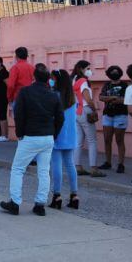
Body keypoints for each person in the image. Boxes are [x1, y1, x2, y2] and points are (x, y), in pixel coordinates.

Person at [1, 63, 64, 217]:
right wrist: (54, 134)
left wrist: (19, 132)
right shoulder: (53, 95)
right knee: (43, 171)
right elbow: (60, 117)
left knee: (18, 169)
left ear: (33, 77)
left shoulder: (25, 92)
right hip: (47, 137)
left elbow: (19, 113)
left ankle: (15, 203)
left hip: (30, 136)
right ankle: (40, 204)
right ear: (48, 79)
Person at [49, 70, 80, 210]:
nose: (51, 81)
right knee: (70, 164)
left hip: (57, 133)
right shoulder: (73, 97)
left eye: (53, 79)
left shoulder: (54, 96)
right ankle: (74, 195)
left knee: (56, 164)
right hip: (71, 135)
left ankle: (57, 195)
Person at [71, 60, 105, 178]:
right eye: (88, 68)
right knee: (92, 141)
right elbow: (88, 99)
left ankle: (77, 166)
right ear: (81, 69)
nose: (90, 71)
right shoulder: (84, 81)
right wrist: (94, 109)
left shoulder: (74, 80)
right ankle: (94, 168)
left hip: (77, 112)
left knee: (79, 141)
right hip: (85, 110)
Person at [98, 66, 128, 173]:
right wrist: (113, 98)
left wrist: (116, 100)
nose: (114, 74)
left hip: (121, 115)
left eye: (116, 72)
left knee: (119, 140)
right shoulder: (107, 85)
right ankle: (108, 162)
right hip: (108, 115)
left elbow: (127, 99)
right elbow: (101, 97)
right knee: (107, 139)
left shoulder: (125, 85)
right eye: (112, 72)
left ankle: (121, 164)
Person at [4, 47, 33, 141]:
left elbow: (11, 85)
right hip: (31, 98)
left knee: (19, 121)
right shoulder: (32, 67)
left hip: (18, 98)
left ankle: (22, 140)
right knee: (29, 120)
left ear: (16, 56)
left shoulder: (15, 68)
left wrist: (9, 98)